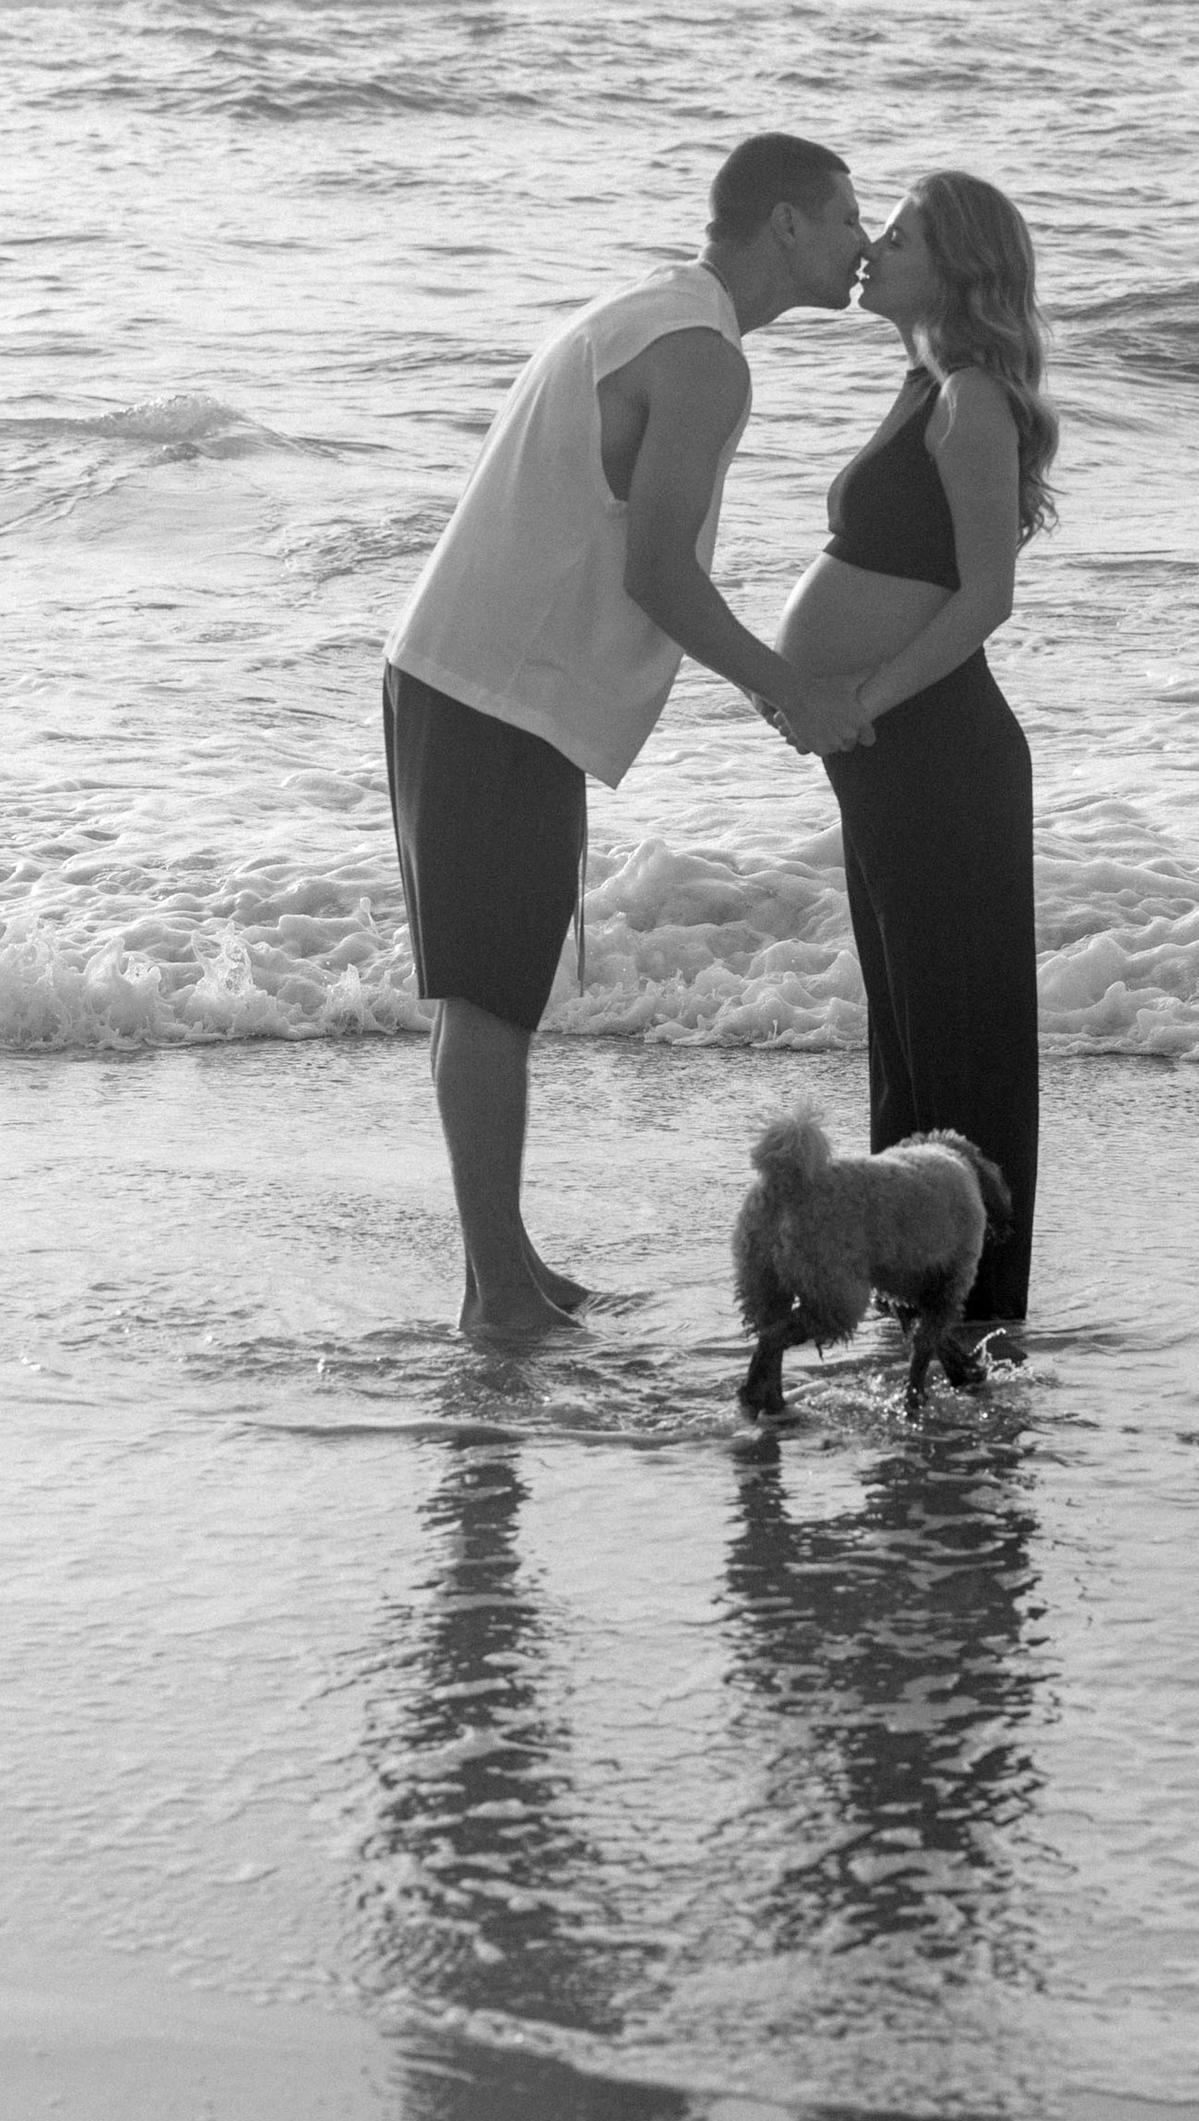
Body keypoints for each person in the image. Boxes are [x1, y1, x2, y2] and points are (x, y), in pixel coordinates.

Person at [384, 133, 876, 1345]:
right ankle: (494, 1290)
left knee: (485, 991)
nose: (865, 244)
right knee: (490, 998)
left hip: (462, 678)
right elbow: (659, 572)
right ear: (783, 226)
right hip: (494, 693)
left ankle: (506, 1263)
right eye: (848, 218)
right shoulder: (704, 359)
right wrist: (787, 694)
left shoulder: (649, 311)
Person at [771, 169, 1056, 1330]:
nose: (872, 250)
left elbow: (985, 597)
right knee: (905, 1031)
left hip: (940, 754)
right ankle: (915, 1308)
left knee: (957, 1041)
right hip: (890, 754)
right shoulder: (920, 383)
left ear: (957, 269)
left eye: (897, 237)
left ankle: (975, 1315)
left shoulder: (973, 398)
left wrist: (862, 695)